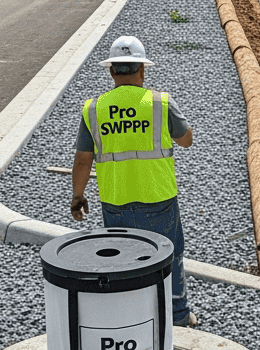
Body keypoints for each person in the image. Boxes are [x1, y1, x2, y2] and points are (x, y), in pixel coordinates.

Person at [70, 35, 196, 326]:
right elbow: (186, 140)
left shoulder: (94, 108)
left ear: (112, 71)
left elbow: (82, 160)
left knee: (122, 259)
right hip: (158, 198)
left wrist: (78, 195)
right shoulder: (159, 103)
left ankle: (131, 316)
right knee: (171, 254)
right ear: (143, 70)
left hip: (116, 201)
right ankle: (177, 315)